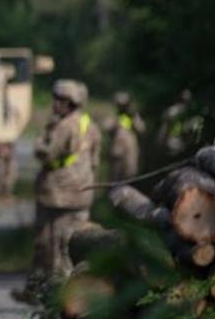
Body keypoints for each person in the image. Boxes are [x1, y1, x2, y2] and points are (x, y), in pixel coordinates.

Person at [15, 79, 98, 302]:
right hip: (81, 193)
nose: (55, 104)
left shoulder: (63, 126)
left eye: (60, 100)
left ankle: (56, 297)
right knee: (70, 244)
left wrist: (41, 139)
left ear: (70, 103)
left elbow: (46, 153)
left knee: (54, 249)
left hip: (58, 195)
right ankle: (50, 292)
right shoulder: (88, 124)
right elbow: (95, 159)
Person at [105, 91, 145, 182]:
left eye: (124, 105)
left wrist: (133, 118)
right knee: (114, 178)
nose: (122, 107)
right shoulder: (114, 116)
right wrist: (116, 122)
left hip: (130, 152)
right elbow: (107, 127)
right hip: (117, 152)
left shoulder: (133, 116)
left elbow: (141, 129)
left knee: (129, 176)